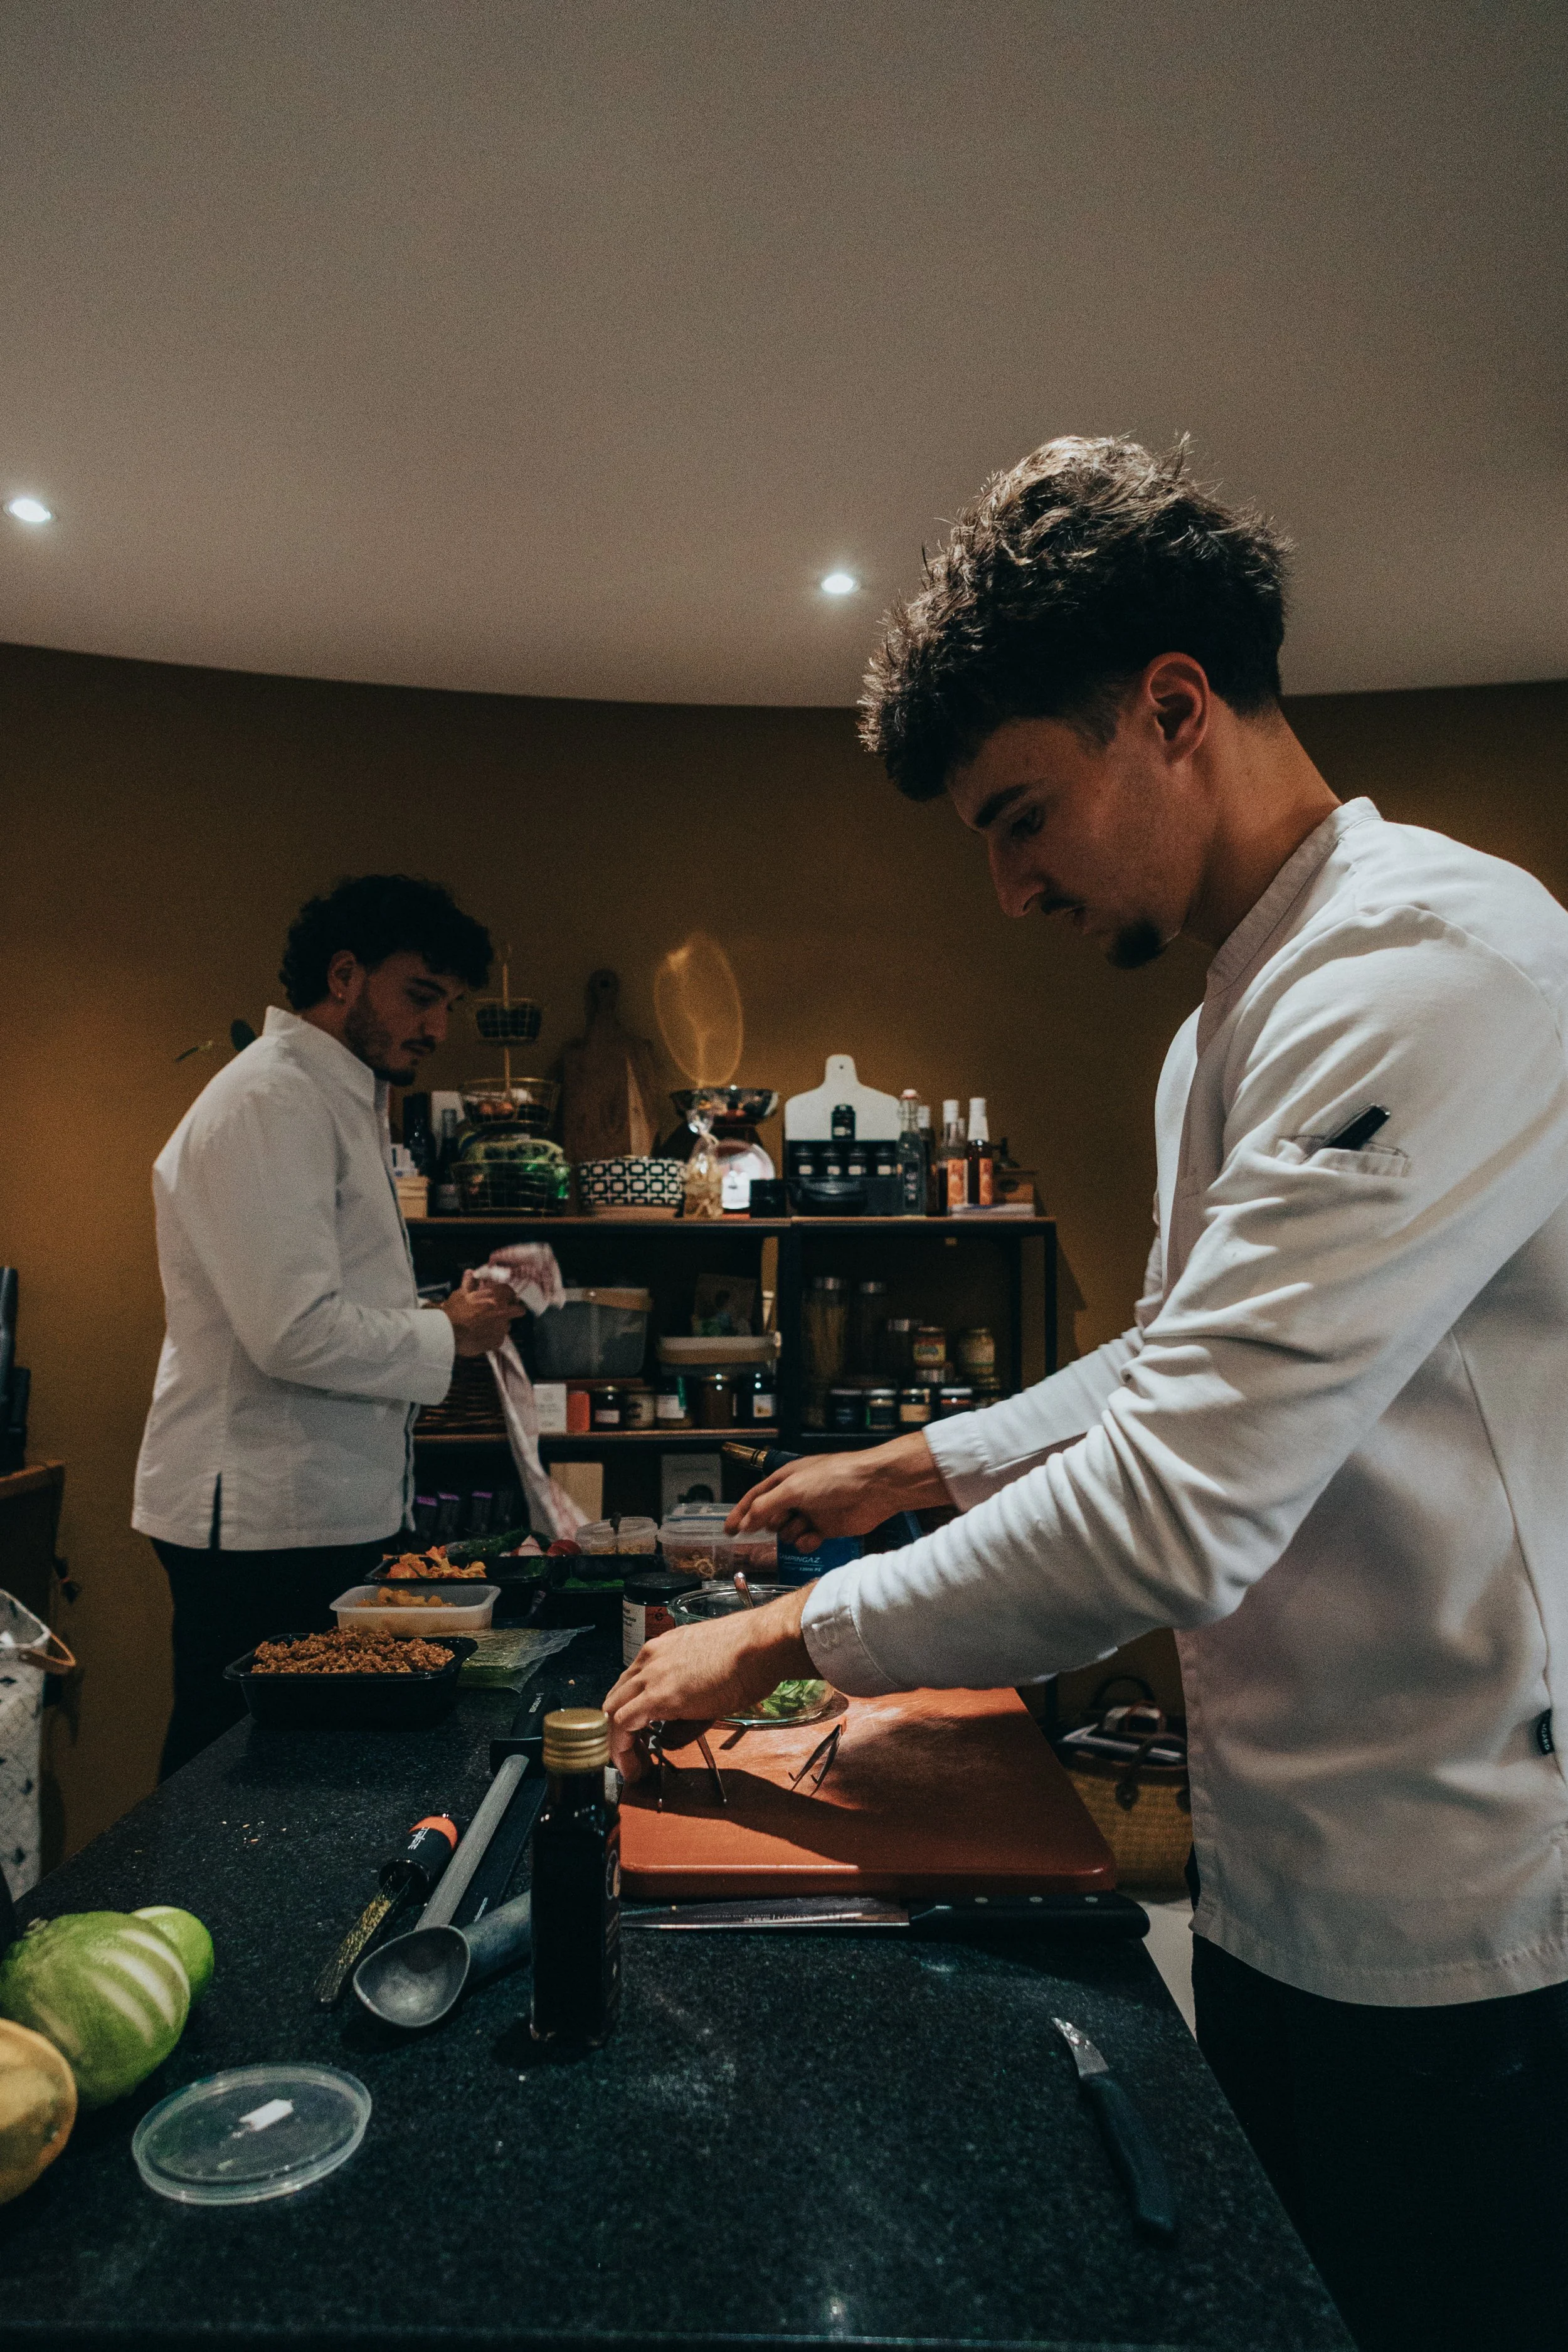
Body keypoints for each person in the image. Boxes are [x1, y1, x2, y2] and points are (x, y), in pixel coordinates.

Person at [606, 439, 1568, 2352]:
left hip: (1465, 1893)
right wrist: (914, 1456)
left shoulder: (1432, 966)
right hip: (1276, 1849)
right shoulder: (1226, 1015)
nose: (1006, 884)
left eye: (1020, 814)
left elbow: (1173, 1502)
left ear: (1174, 708)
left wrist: (782, 1636)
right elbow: (1184, 1353)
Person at [134, 874, 516, 1777]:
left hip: (307, 1508)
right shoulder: (273, 1099)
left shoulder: (330, 1094)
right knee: (233, 1770)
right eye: (420, 995)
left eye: (450, 1005)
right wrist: (446, 1331)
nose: (438, 1028)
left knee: (303, 1773)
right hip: (263, 1519)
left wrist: (434, 1318)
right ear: (344, 976)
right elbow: (292, 1331)